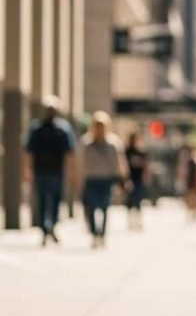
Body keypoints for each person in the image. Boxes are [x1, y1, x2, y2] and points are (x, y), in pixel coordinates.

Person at [23, 95, 77, 245]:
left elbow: (70, 153)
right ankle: (44, 229)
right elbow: (29, 151)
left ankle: (52, 226)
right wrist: (27, 170)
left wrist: (72, 172)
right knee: (41, 201)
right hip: (40, 171)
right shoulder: (37, 128)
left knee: (56, 201)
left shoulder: (63, 129)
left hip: (57, 172)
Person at [78, 112, 128, 248]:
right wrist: (78, 178)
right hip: (91, 178)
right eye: (97, 126)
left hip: (106, 179)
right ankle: (94, 233)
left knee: (105, 207)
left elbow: (120, 162)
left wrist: (123, 178)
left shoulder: (113, 143)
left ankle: (102, 234)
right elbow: (80, 162)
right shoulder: (86, 142)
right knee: (90, 207)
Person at [124, 131, 149, 228]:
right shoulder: (127, 152)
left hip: (138, 179)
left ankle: (138, 220)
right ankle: (130, 220)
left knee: (138, 199)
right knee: (129, 200)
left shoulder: (141, 152)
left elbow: (145, 166)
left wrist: (145, 176)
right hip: (130, 178)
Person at [177, 142, 196, 221]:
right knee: (189, 196)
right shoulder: (185, 157)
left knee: (195, 197)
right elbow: (182, 170)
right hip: (189, 180)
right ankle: (191, 211)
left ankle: (195, 212)